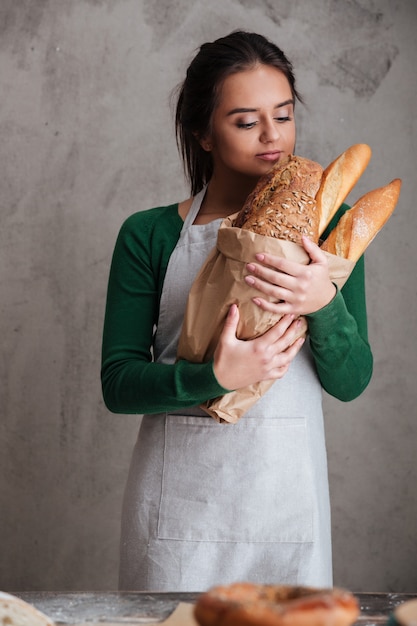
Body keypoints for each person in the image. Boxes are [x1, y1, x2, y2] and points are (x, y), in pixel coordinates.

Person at [101, 30, 373, 592]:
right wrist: (215, 378)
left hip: (286, 510)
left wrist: (322, 303)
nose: (273, 138)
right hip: (179, 515)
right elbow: (119, 384)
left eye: (284, 115)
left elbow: (351, 381)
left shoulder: (333, 232)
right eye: (246, 122)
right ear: (202, 132)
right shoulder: (150, 234)